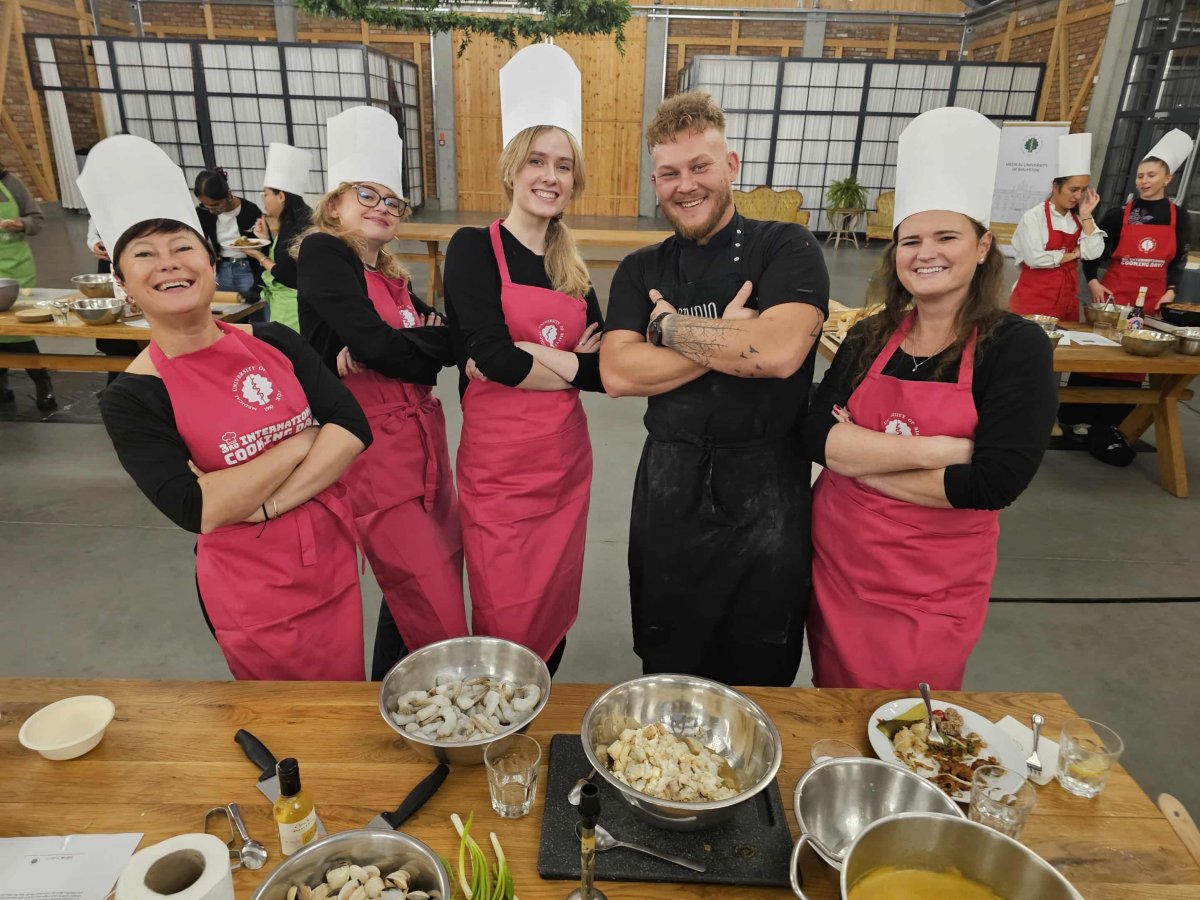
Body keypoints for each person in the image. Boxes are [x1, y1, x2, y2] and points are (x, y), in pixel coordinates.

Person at [83, 134, 372, 681]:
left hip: (333, 565)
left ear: (211, 262)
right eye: (144, 254)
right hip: (255, 591)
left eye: (182, 247)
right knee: (284, 722)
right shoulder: (132, 397)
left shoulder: (276, 341)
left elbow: (353, 428)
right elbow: (197, 508)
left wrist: (261, 504)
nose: (169, 264)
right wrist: (303, 439)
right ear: (122, 283)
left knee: (345, 703)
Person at [802, 107, 1057, 691]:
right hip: (838, 567)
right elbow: (814, 434)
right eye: (911, 240)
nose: (925, 253)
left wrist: (856, 459)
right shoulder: (869, 336)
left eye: (946, 237)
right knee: (834, 701)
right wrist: (938, 450)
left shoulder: (1015, 347)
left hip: (933, 588)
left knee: (911, 718)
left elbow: (991, 483)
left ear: (983, 246)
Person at [600, 91, 828, 687]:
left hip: (767, 490)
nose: (686, 186)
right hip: (669, 485)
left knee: (761, 669)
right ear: (655, 180)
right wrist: (731, 337)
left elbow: (778, 353)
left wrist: (668, 329)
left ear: (730, 165)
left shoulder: (787, 247)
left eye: (700, 166)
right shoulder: (640, 268)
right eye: (669, 173)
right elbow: (618, 372)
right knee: (669, 662)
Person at [443, 45, 604, 677]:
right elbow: (491, 358)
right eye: (537, 160)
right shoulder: (472, 248)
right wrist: (564, 361)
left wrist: (534, 353)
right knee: (504, 608)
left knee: (554, 600)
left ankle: (538, 698)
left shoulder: (574, 268)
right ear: (512, 168)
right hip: (500, 474)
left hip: (565, 466)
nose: (549, 176)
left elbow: (602, 372)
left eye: (563, 166)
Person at [297, 106, 466, 679]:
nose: (382, 207)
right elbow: (387, 344)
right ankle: (446, 698)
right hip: (375, 453)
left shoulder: (391, 275)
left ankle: (382, 694)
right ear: (334, 205)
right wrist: (405, 344)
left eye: (393, 201)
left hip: (424, 449)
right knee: (434, 602)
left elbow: (445, 344)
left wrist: (393, 346)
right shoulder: (325, 252)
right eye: (366, 194)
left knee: (416, 589)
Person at [1067, 129, 1194, 464]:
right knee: (1097, 358)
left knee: (1134, 364)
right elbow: (1093, 251)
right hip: (1113, 298)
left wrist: (1171, 291)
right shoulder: (1119, 214)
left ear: (1168, 178)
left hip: (1151, 302)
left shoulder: (1178, 217)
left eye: (1151, 175)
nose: (1144, 181)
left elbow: (1178, 259)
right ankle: (1076, 418)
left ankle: (1114, 425)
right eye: (1140, 175)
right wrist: (1093, 282)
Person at [1009, 132, 1105, 322]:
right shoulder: (1034, 217)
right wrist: (1075, 254)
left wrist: (1086, 215)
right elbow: (1035, 258)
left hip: (1066, 300)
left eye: (1083, 190)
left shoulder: (1080, 218)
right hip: (1033, 300)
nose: (1078, 196)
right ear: (1055, 186)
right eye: (1073, 189)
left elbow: (1094, 252)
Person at [0, 164, 54, 410]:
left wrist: (20, 223)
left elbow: (37, 219)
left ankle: (42, 382)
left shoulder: (11, 183)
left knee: (18, 329)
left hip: (16, 269)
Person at [241, 143, 312, 331]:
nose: (263, 200)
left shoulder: (300, 227)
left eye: (265, 195)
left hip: (294, 310)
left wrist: (259, 256)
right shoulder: (293, 220)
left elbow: (288, 275)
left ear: (281, 196)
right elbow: (283, 258)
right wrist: (266, 239)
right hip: (285, 306)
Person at [86, 218, 141, 383]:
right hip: (109, 263)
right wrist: (94, 243)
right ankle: (115, 382)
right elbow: (93, 226)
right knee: (112, 324)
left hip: (139, 262)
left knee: (142, 324)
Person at [194, 168, 263, 297]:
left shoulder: (250, 210)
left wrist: (258, 285)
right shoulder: (204, 213)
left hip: (248, 268)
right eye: (205, 205)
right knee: (226, 307)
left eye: (215, 205)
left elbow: (264, 246)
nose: (211, 210)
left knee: (254, 305)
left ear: (229, 195)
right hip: (222, 269)